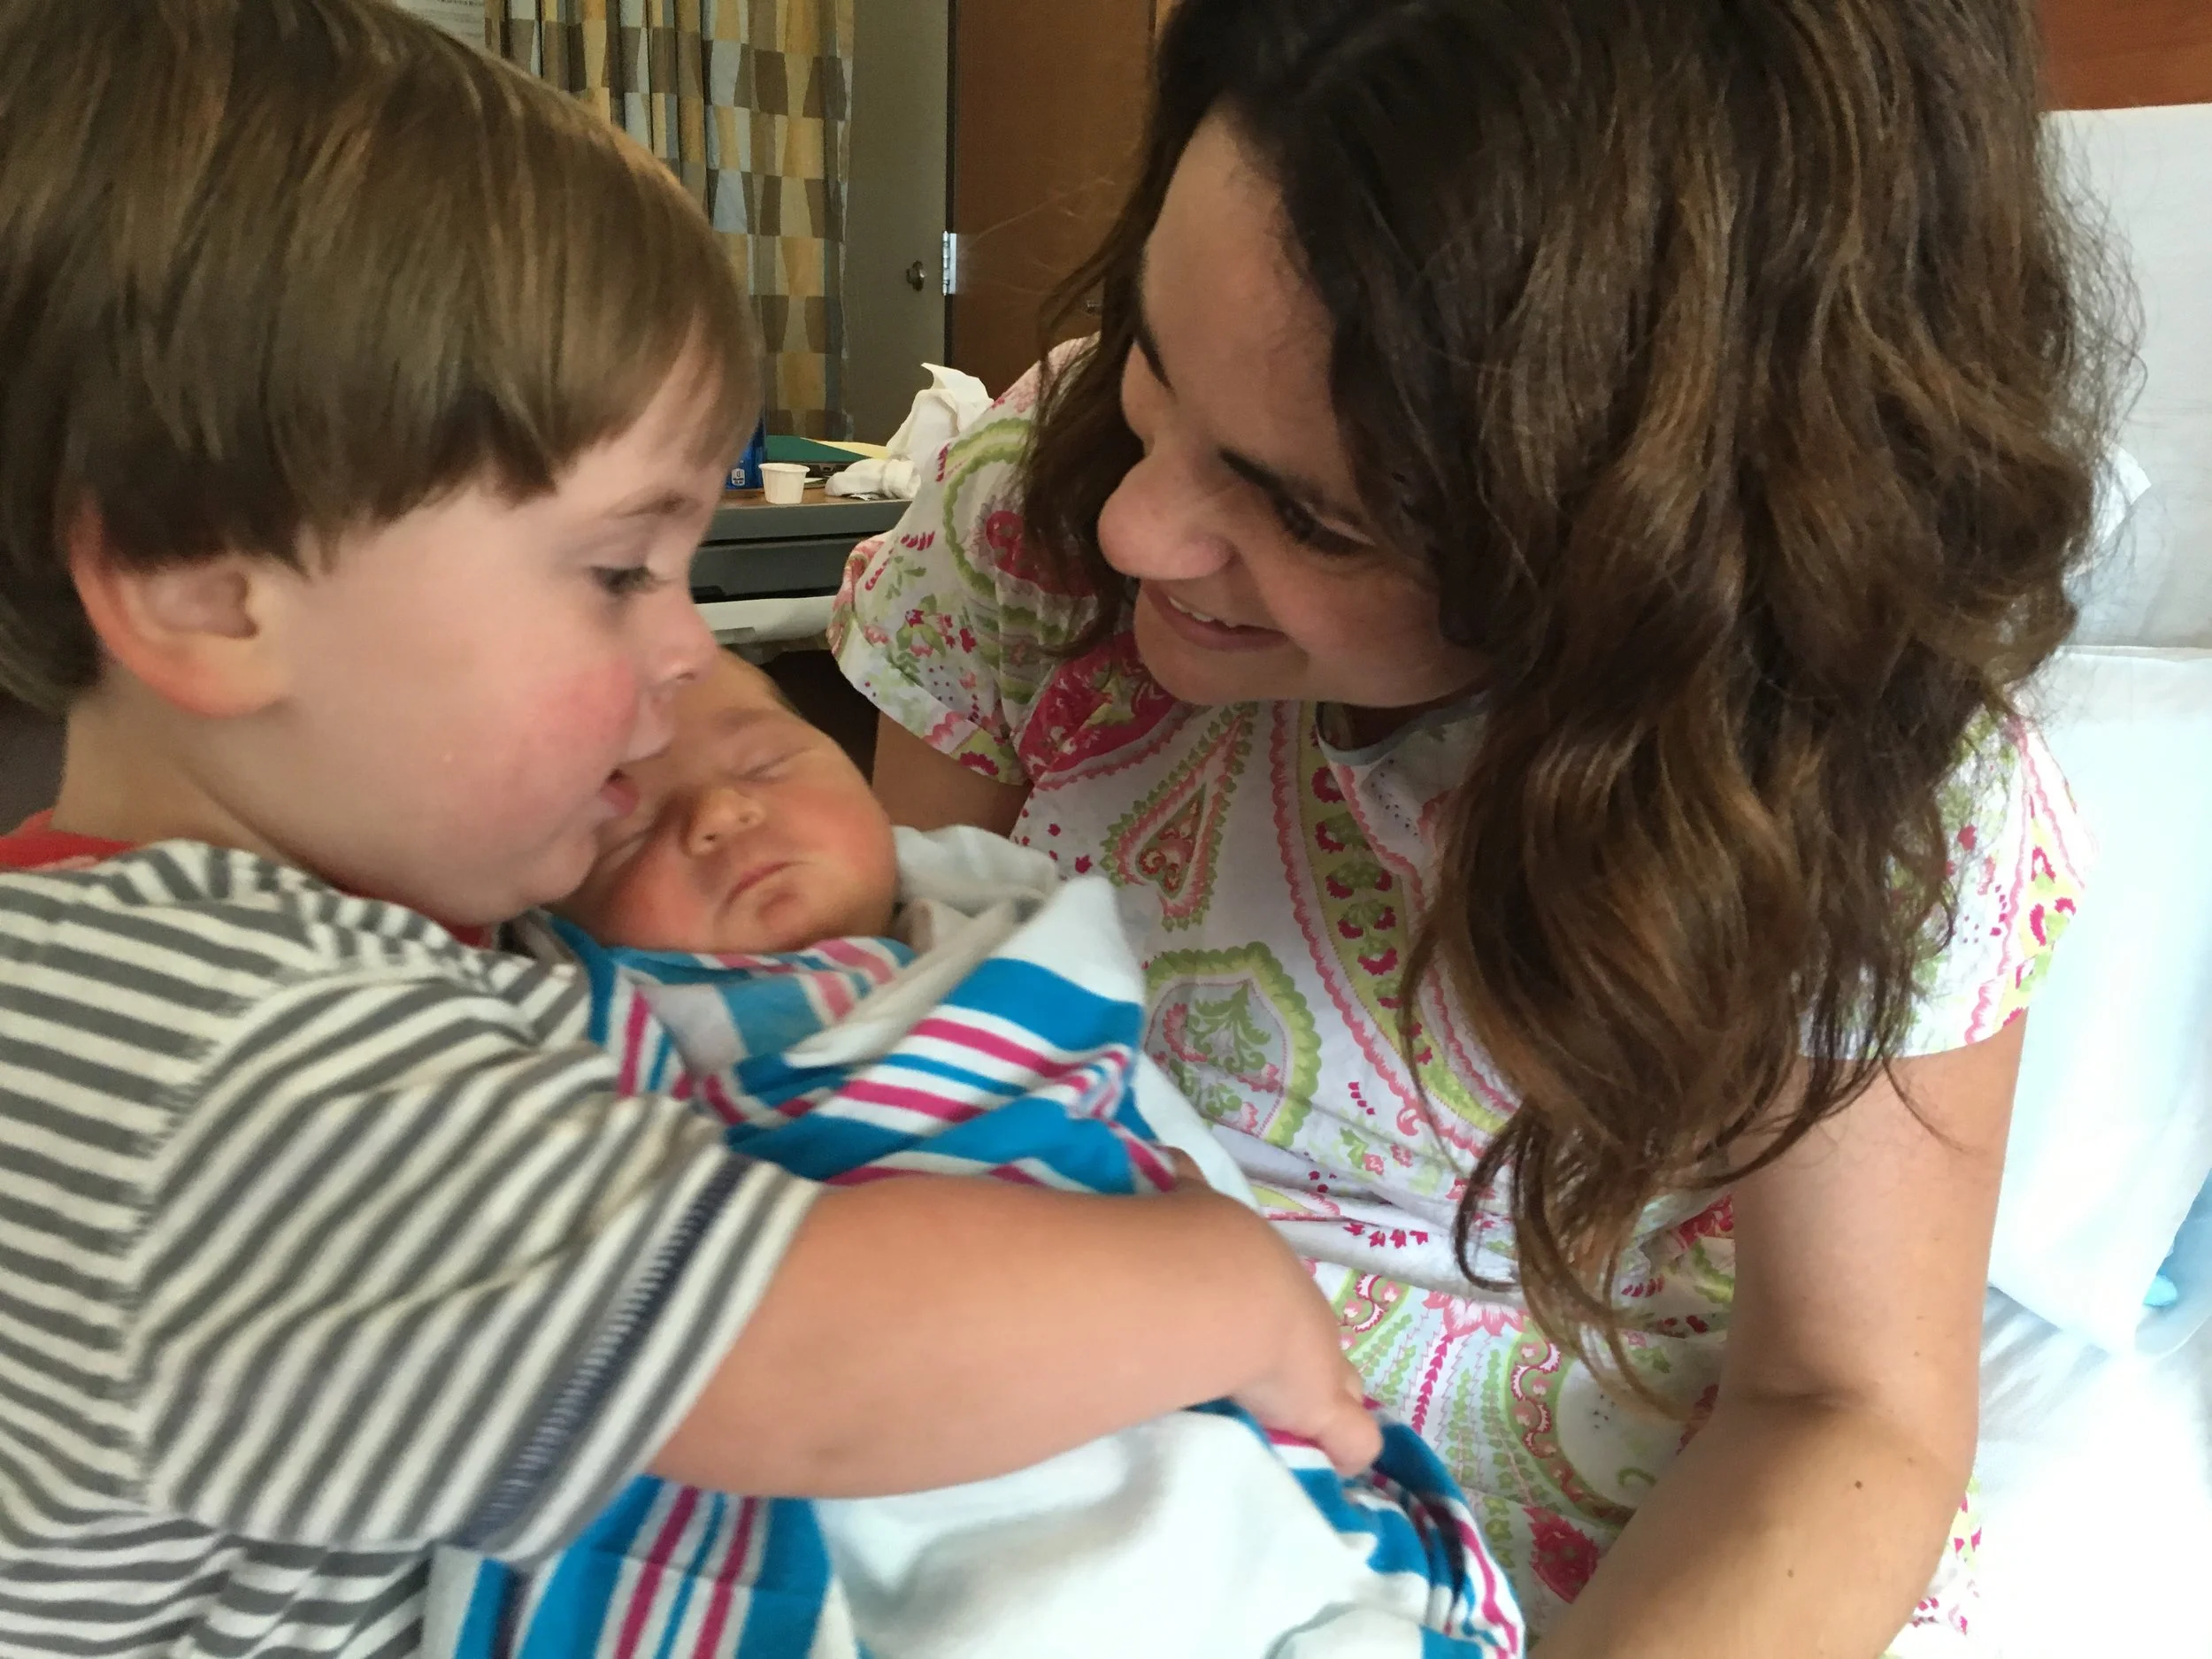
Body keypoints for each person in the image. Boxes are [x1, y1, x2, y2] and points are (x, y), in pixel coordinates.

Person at [0, 4, 1373, 1653]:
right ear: (204, 597)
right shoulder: (230, 1054)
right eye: (612, 572)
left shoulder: (192, 953)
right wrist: (1229, 1292)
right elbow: (809, 1362)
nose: (686, 654)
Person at [831, 0, 2123, 1653]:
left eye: (1308, 510)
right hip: (1080, 1462)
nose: (1143, 528)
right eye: (1158, 357)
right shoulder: (1038, 514)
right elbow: (888, 1083)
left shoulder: (1876, 791)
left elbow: (1842, 1408)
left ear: (1649, 559)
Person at [456, 646, 1524, 1657]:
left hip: (1145, 1361)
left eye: (768, 760)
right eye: (628, 829)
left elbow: (1153, 1146)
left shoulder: (1008, 939)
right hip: (861, 1419)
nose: (724, 812)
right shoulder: (580, 1017)